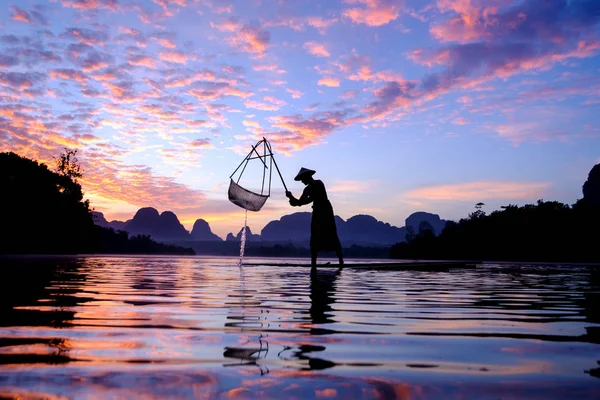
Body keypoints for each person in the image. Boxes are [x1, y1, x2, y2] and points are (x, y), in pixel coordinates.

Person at [285, 167, 344, 268]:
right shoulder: (314, 185)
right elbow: (300, 202)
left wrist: (291, 198)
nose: (302, 181)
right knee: (322, 235)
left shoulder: (315, 185)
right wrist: (291, 198)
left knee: (326, 234)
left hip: (324, 212)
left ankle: (320, 263)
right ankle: (332, 262)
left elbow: (302, 202)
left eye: (302, 179)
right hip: (321, 211)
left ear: (307, 177)